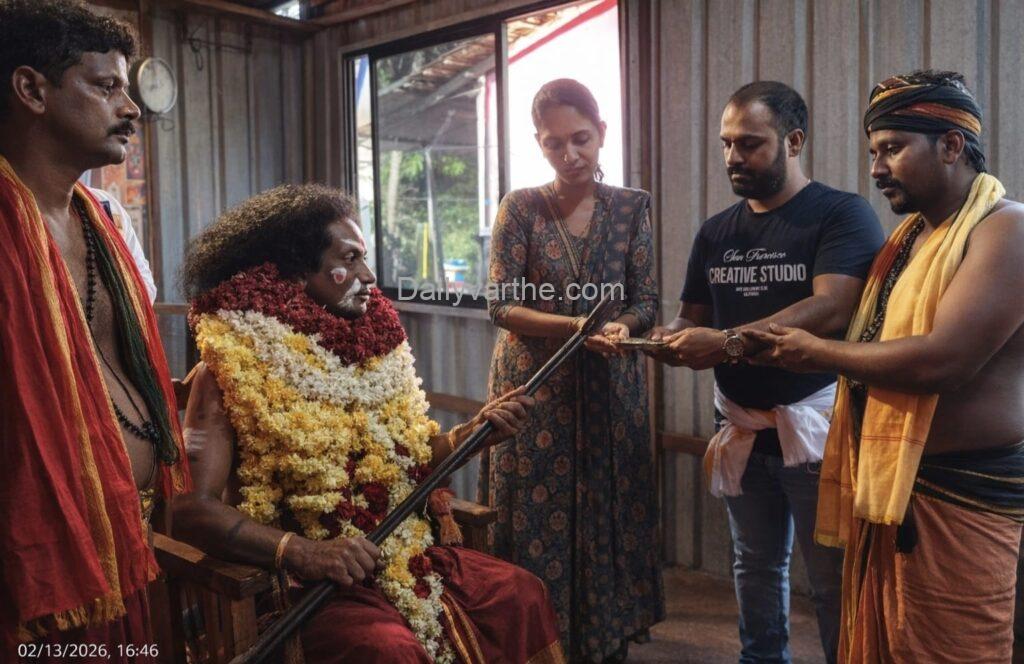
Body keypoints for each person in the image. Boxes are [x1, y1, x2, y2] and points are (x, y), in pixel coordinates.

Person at [174, 183, 564, 664]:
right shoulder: (229, 369)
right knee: (388, 652)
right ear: (295, 270)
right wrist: (303, 551)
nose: (369, 275)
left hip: (404, 555)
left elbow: (407, 462)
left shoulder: (373, 356)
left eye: (365, 258)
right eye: (350, 258)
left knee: (521, 594)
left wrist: (474, 433)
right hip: (305, 583)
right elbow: (190, 511)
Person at [746, 70, 1024, 663]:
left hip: (962, 498)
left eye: (893, 149)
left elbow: (944, 361)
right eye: (874, 152)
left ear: (951, 145)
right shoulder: (911, 240)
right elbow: (863, 327)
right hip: (893, 492)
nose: (876, 169)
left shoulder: (1007, 230)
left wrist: (818, 352)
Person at [647, 81, 885, 663]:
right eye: (727, 144)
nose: (733, 156)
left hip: (819, 430)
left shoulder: (840, 213)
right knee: (754, 565)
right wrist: (658, 339)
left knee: (831, 578)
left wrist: (727, 343)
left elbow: (832, 307)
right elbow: (690, 318)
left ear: (793, 141)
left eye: (750, 144)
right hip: (742, 428)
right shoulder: (716, 232)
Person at [0, 0, 189, 655]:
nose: (131, 108)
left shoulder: (102, 222)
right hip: (31, 574)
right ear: (32, 91)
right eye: (106, 86)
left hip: (122, 548)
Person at [482, 78, 664, 662]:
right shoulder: (520, 207)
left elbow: (645, 302)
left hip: (610, 389)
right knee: (535, 518)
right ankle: (537, 643)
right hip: (534, 392)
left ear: (602, 132)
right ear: (539, 144)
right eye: (554, 143)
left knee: (611, 508)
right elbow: (501, 304)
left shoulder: (631, 207)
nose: (570, 154)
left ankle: (606, 641)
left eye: (580, 138)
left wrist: (622, 328)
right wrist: (577, 327)